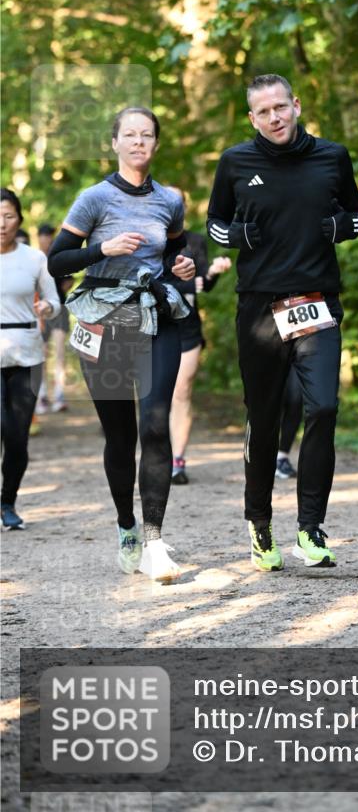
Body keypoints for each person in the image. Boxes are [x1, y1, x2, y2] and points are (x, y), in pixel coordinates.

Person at [207, 73, 358, 571]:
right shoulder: (236, 161)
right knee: (265, 420)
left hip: (317, 301)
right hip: (259, 309)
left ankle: (311, 529)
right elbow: (215, 223)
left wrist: (339, 227)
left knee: (323, 408)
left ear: (296, 105)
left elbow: (357, 215)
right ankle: (260, 526)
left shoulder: (332, 156)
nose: (275, 117)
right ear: (251, 118)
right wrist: (240, 237)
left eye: (281, 107)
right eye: (264, 112)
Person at [47, 107, 195, 580]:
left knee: (155, 423)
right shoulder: (94, 199)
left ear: (155, 143)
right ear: (114, 143)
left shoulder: (170, 200)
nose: (138, 142)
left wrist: (183, 266)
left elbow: (174, 251)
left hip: (155, 316)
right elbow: (57, 263)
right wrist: (102, 250)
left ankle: (154, 541)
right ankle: (127, 526)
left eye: (146, 134)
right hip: (105, 321)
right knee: (121, 434)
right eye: (129, 135)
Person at [1, 187, 61, 530]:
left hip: (26, 353)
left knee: (18, 438)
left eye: (9, 216)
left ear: (19, 219)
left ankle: (7, 501)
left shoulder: (35, 259)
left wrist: (46, 307)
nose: (2, 223)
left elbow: (55, 301)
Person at [165, 187, 232, 485]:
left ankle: (177, 461)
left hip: (187, 328)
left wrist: (215, 272)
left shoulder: (195, 242)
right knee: (155, 397)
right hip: (152, 328)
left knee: (182, 391)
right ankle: (157, 455)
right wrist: (191, 287)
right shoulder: (145, 240)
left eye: (179, 202)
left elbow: (204, 283)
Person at [35, 222, 73, 414]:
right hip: (40, 312)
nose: (47, 239)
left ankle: (59, 395)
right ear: (39, 238)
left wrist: (57, 294)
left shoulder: (59, 256)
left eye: (50, 236)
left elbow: (69, 280)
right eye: (45, 236)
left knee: (59, 353)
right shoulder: (34, 258)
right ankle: (42, 395)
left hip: (60, 309)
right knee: (40, 355)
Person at [275, 365, 302, 480]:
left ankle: (281, 458)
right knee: (270, 402)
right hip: (268, 351)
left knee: (296, 399)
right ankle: (263, 458)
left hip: (297, 354)